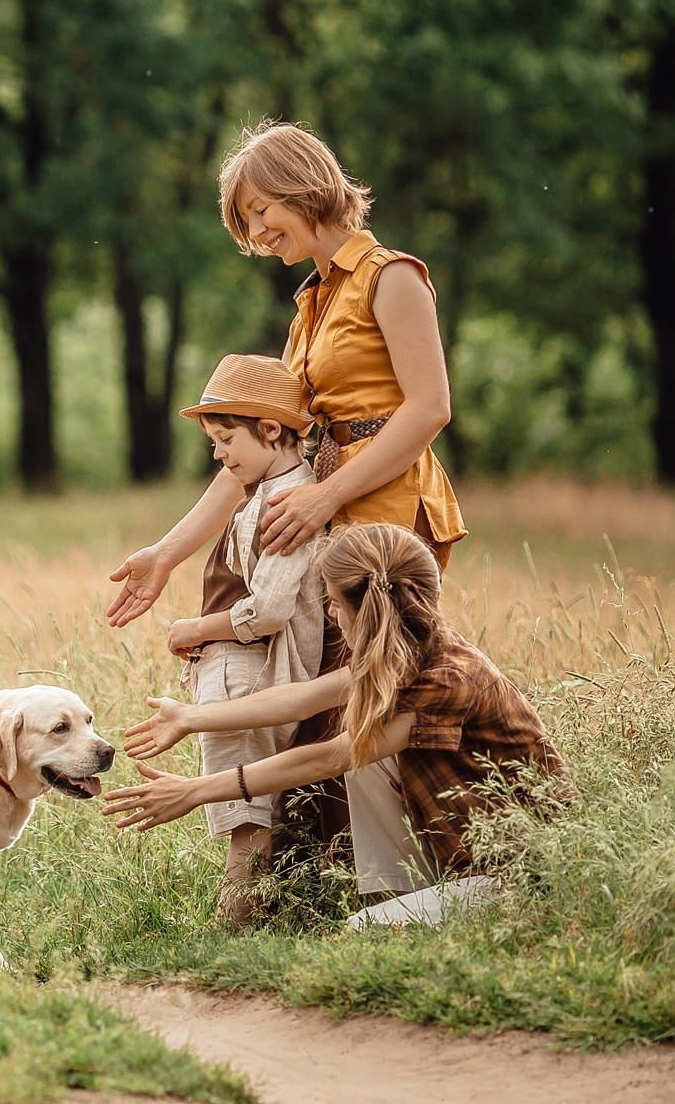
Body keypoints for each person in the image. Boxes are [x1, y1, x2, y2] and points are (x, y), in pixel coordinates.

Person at [105, 119, 468, 875]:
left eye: (260, 209)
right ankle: (330, 879)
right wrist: (168, 553)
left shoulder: (391, 276)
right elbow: (255, 452)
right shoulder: (310, 302)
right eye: (244, 220)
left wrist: (324, 494)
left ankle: (405, 882)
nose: (255, 230)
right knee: (326, 698)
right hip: (328, 513)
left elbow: (429, 408)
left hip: (387, 515)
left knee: (371, 693)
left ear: (305, 185)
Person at [105, 524, 570, 913]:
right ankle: (397, 899)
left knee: (358, 756)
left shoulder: (447, 680)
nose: (329, 611)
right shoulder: (406, 653)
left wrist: (194, 790)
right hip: (466, 865)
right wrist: (190, 717)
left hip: (519, 882)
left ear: (365, 608)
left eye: (332, 601)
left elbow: (330, 758)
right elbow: (301, 699)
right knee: (365, 749)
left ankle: (401, 913)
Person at [166, 354, 328, 926]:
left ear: (272, 430)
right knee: (253, 809)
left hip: (249, 672)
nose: (218, 454)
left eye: (226, 437)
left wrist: (196, 629)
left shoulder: (288, 501)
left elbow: (270, 609)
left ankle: (231, 932)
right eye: (214, 440)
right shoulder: (266, 491)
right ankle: (261, 922)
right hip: (240, 666)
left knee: (245, 815)